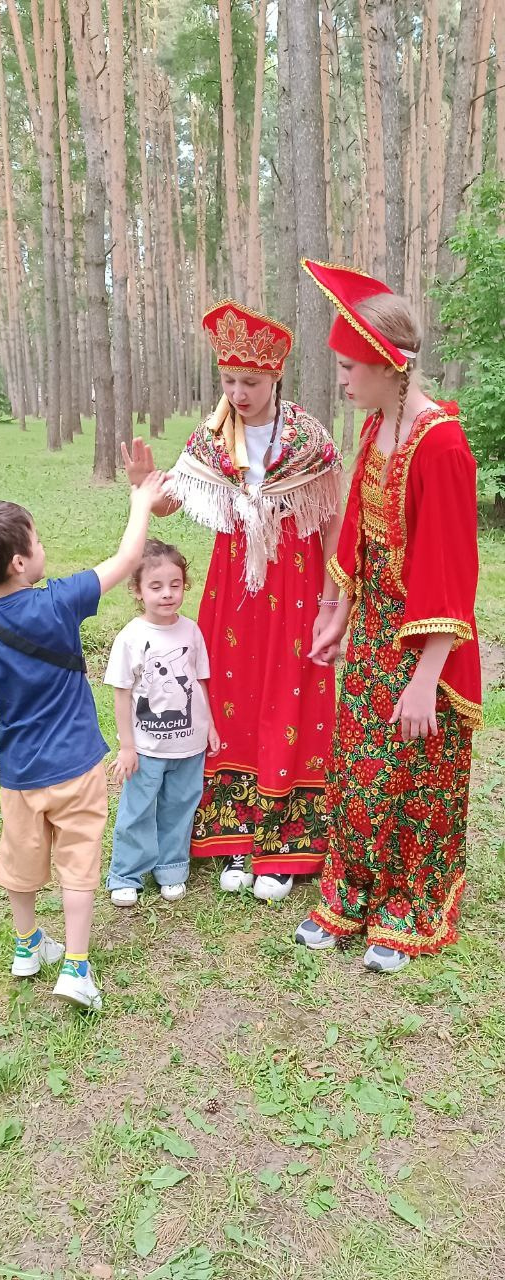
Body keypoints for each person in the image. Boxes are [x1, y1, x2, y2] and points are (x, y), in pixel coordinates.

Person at [295, 260, 482, 972]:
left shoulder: (442, 446)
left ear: (386, 366)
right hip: (375, 630)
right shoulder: (377, 426)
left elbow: (452, 574)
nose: (341, 381)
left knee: (418, 766)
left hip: (428, 644)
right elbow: (359, 532)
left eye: (349, 367)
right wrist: (337, 611)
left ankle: (410, 897)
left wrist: (426, 678)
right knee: (363, 762)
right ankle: (353, 886)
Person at [122, 301, 343, 901]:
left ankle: (285, 845)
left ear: (276, 378)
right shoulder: (214, 435)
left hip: (296, 584)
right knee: (231, 692)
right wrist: (146, 486)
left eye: (250, 381)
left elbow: (331, 522)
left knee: (289, 690)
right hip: (235, 589)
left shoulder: (308, 438)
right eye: (229, 381)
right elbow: (174, 499)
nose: (238, 393)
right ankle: (233, 837)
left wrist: (330, 600)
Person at [0, 475, 165, 1010]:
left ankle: (26, 947)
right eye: (38, 539)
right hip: (76, 765)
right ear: (21, 561)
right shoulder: (60, 602)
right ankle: (74, 967)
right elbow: (127, 555)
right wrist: (140, 500)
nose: (43, 547)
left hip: (19, 775)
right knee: (78, 864)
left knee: (21, 862)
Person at [104, 538, 220, 906]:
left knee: (180, 805)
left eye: (175, 585)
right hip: (147, 748)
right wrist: (127, 746)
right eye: (156, 586)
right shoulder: (132, 638)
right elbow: (122, 693)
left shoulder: (191, 631)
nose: (167, 594)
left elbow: (201, 683)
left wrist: (211, 726)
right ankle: (127, 874)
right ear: (137, 590)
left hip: (189, 744)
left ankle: (171, 867)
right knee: (138, 808)